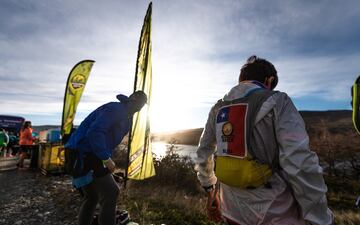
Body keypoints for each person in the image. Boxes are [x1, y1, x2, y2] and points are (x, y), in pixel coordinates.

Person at [195, 55, 333, 225]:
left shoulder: (218, 108)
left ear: (241, 79)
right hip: (274, 210)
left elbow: (204, 151)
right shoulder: (277, 101)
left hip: (231, 208)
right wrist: (320, 218)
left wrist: (210, 188)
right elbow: (300, 163)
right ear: (269, 80)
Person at [65, 91, 147, 225]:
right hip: (85, 153)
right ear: (132, 99)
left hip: (87, 152)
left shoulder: (127, 116)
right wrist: (105, 158)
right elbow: (95, 132)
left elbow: (108, 139)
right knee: (111, 192)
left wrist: (106, 159)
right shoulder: (116, 109)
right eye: (139, 102)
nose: (140, 106)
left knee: (92, 197)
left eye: (143, 104)